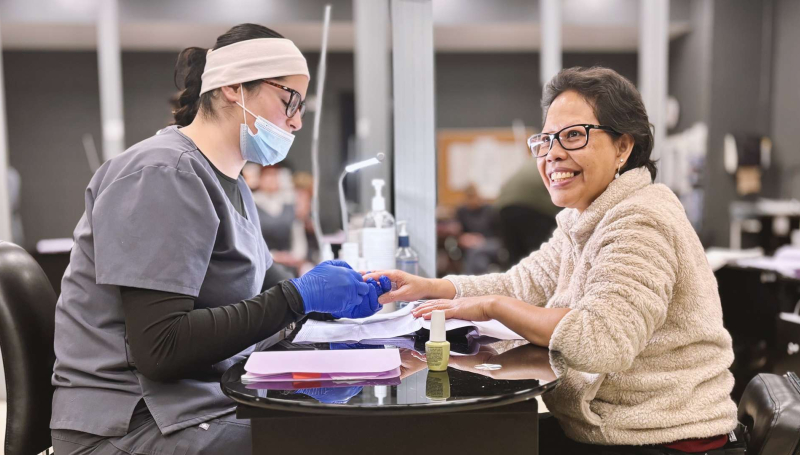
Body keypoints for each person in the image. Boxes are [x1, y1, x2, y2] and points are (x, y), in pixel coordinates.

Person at [367, 67, 739, 454]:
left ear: (623, 147)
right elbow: (522, 284)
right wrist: (432, 287)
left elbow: (602, 339)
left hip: (666, 438)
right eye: (545, 140)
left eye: (574, 135)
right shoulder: (587, 218)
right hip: (612, 427)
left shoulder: (640, 218)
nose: (552, 154)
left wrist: (491, 307)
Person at [50, 24, 383, 455]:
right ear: (233, 88)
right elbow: (161, 347)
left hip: (198, 403)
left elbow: (268, 287)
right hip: (130, 425)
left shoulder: (232, 183)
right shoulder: (161, 173)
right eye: (290, 101)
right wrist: (299, 297)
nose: (298, 121)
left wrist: (331, 302)